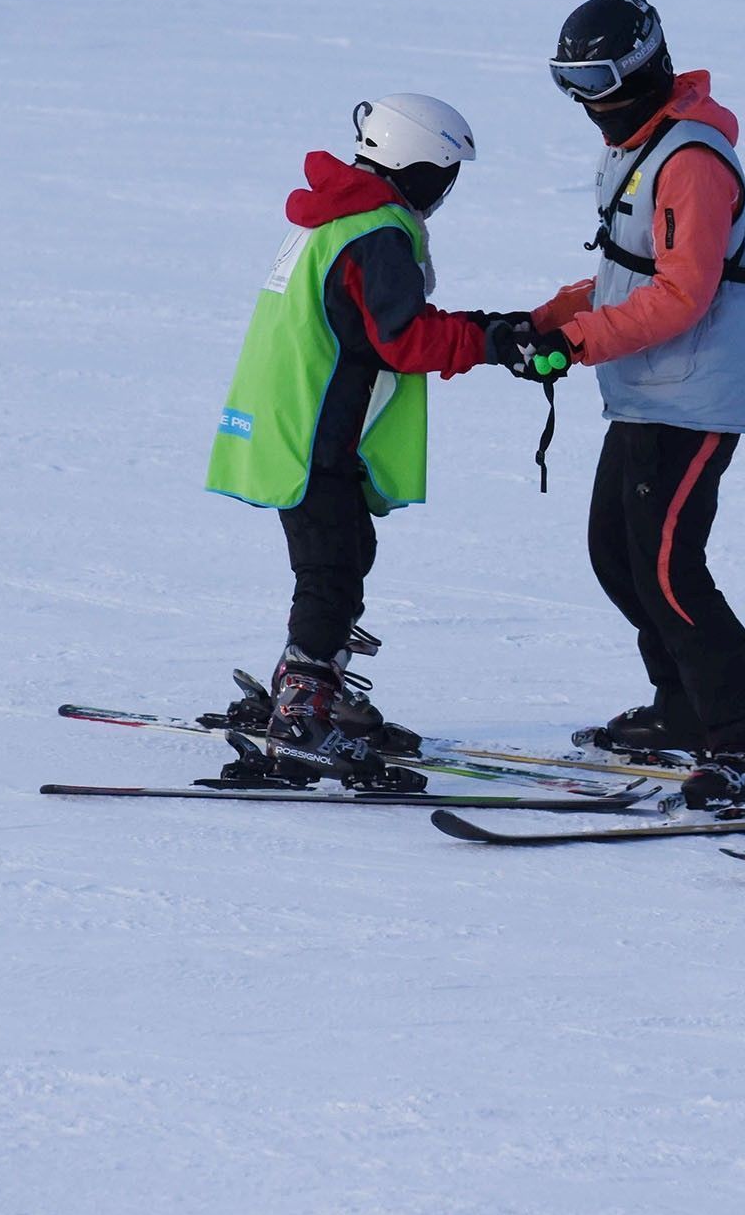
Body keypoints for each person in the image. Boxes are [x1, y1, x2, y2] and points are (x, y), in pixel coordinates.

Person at [501, 0, 745, 813]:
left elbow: (682, 294)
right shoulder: (637, 151)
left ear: (642, 64)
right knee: (618, 556)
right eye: (568, 80)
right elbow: (622, 270)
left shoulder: (691, 162)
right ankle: (683, 706)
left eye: (596, 77)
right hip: (646, 388)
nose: (585, 98)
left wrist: (576, 342)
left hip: (698, 394)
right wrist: (541, 319)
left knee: (673, 573)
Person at [204, 94, 535, 769]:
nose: (445, 191)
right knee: (330, 569)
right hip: (313, 432)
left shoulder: (336, 217)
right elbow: (405, 339)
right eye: (446, 173)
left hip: (286, 421)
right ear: (422, 164)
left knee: (346, 553)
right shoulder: (377, 229)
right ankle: (301, 708)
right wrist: (495, 343)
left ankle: (316, 685)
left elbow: (377, 321)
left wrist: (492, 327)